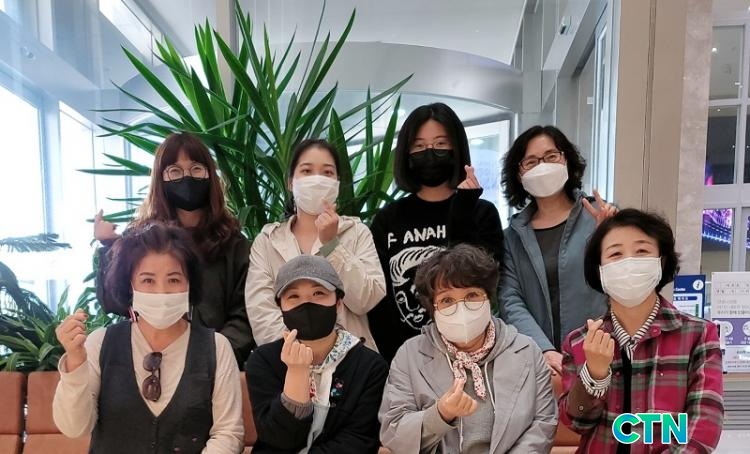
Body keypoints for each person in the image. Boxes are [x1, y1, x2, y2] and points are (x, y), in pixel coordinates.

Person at [53, 222, 244, 453]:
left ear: (190, 284)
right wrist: (75, 363)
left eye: (174, 280)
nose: (161, 291)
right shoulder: (101, 343)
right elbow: (74, 427)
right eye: (148, 280)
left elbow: (228, 433)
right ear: (129, 285)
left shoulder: (216, 348)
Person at [559, 209, 724, 453]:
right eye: (615, 253)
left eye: (642, 251)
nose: (629, 262)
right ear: (599, 269)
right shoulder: (579, 341)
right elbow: (576, 423)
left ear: (661, 262)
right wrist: (594, 375)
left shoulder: (698, 335)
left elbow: (705, 422)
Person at [380, 244, 556, 453]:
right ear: (432, 308)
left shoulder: (526, 351)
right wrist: (440, 413)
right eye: (447, 300)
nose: (461, 308)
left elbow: (543, 424)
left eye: (472, 295)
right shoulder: (410, 356)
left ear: (489, 298)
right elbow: (393, 432)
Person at [94, 132, 253, 366]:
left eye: (196, 169)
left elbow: (245, 314)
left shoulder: (234, 244)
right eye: (175, 171)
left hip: (215, 365)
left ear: (210, 175)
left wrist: (214, 356)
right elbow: (115, 301)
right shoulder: (140, 239)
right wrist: (109, 247)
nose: (187, 177)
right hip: (148, 362)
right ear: (160, 178)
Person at [368, 103, 504, 362]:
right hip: (407, 358)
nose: (429, 152)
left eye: (440, 144)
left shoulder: (481, 212)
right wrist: (395, 357)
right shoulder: (388, 219)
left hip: (473, 352)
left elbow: (483, 282)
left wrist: (463, 211)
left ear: (456, 147)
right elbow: (378, 298)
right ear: (406, 153)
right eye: (419, 146)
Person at [245, 139, 385, 351]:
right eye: (307, 171)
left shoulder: (357, 232)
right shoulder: (267, 241)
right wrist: (302, 355)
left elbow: (366, 299)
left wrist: (331, 245)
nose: (317, 180)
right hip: (287, 361)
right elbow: (261, 313)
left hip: (353, 360)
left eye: (327, 172)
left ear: (337, 183)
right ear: (290, 182)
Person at [500, 125, 614, 375]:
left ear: (567, 160)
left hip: (599, 354)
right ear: (519, 173)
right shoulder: (512, 237)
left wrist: (611, 236)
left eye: (551, 156)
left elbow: (621, 283)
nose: (542, 166)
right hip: (541, 364)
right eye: (531, 161)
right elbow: (510, 299)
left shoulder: (599, 217)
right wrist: (544, 349)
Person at [245, 255, 388, 453]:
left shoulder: (371, 366)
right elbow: (276, 438)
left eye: (319, 293)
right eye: (293, 296)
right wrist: (296, 374)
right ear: (280, 307)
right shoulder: (263, 361)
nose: (307, 304)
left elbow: (359, 440)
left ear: (338, 303)